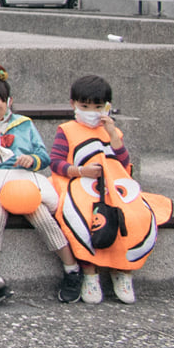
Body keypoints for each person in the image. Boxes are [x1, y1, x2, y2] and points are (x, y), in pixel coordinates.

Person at [0, 68, 82, 303]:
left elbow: (44, 156)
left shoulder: (24, 125)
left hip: (22, 184)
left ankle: (72, 268)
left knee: (40, 216)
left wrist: (32, 161)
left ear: (8, 102)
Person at [50, 73, 143, 304]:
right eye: (85, 106)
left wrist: (113, 135)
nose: (91, 111)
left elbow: (123, 163)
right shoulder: (67, 130)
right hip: (77, 186)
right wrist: (80, 171)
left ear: (107, 107)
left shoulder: (112, 131)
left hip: (112, 187)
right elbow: (56, 162)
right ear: (73, 104)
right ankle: (90, 272)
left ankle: (122, 271)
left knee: (133, 215)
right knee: (84, 216)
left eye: (98, 107)